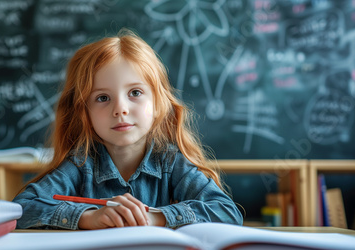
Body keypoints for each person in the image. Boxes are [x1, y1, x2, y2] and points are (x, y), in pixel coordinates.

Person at [13, 28, 243, 230]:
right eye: (103, 97)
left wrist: (156, 218)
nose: (120, 109)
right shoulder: (80, 164)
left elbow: (226, 212)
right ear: (85, 113)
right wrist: (88, 218)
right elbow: (21, 209)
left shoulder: (171, 163)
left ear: (157, 105)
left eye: (135, 93)